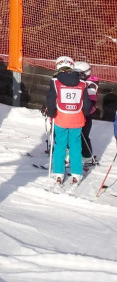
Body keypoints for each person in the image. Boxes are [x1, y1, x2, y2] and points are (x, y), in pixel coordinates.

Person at [45, 56, 90, 186]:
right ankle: (76, 173)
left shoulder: (55, 82)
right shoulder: (82, 83)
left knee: (60, 145)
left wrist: (52, 113)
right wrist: (83, 115)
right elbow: (87, 104)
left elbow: (50, 100)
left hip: (61, 118)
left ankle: (58, 173)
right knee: (75, 146)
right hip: (76, 118)